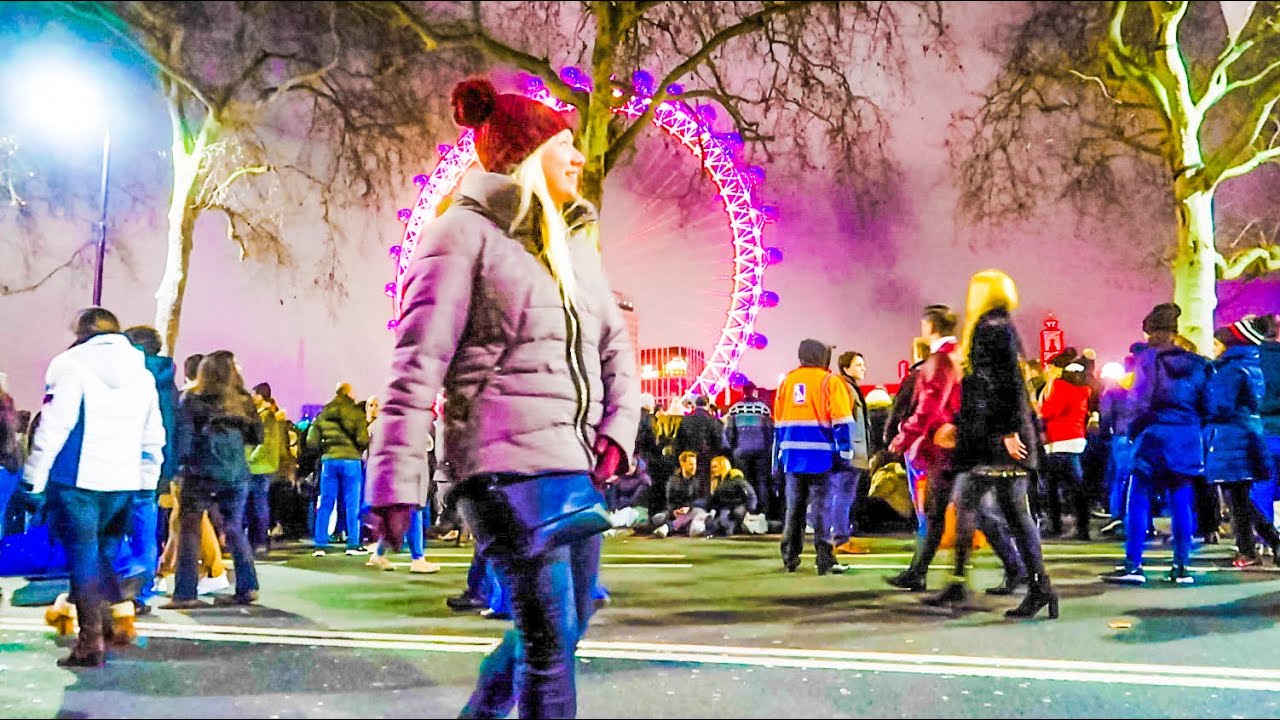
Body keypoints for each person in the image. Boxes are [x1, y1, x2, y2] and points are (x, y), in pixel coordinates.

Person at [365, 77, 639, 719]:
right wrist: (394, 481)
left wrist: (617, 431)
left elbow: (615, 349)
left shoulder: (576, 247)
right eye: (564, 145)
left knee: (566, 629)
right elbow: (415, 367)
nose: (579, 158)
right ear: (525, 155)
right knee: (550, 649)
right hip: (499, 469)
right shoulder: (459, 235)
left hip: (570, 466)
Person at [22, 308, 165, 666]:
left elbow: (54, 426)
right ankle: (109, 623)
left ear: (82, 332)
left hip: (77, 481)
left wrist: (33, 480)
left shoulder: (69, 365)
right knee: (104, 555)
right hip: (124, 481)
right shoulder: (142, 372)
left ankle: (90, 644)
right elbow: (153, 434)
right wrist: (148, 481)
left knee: (84, 560)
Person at [926, 271, 1057, 619]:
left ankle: (975, 581)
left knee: (978, 502)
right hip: (992, 435)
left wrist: (1009, 431)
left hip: (997, 439)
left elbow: (1008, 384)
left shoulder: (992, 328)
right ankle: (1032, 583)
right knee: (1003, 509)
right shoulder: (998, 326)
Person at [886, 304, 1025, 595]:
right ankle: (1011, 568)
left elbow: (930, 408)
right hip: (967, 442)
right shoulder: (962, 357)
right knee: (974, 510)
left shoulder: (940, 360)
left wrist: (902, 439)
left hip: (946, 446)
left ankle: (940, 576)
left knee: (945, 511)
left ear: (929, 326)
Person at [1102, 303, 1211, 586]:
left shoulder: (1148, 361)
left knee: (1138, 499)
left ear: (1153, 331)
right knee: (1181, 501)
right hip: (1186, 435)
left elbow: (1139, 401)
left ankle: (1134, 565)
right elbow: (1209, 405)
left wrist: (1133, 429)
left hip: (1154, 434)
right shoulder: (1199, 364)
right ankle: (1181, 566)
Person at [163, 351, 262, 609]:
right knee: (234, 528)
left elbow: (183, 439)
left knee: (190, 530)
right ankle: (248, 586)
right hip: (236, 473)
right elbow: (257, 437)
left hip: (200, 472)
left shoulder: (192, 398)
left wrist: (177, 468)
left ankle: (185, 593)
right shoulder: (243, 400)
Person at [775, 338, 856, 575]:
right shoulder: (829, 382)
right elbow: (842, 420)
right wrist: (845, 452)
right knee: (822, 509)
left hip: (792, 456)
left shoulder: (787, 382)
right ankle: (824, 559)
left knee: (794, 508)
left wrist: (781, 452)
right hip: (821, 457)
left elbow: (778, 422)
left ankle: (790, 557)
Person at [1206, 321, 1278, 567]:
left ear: (1231, 345)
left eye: (1217, 344)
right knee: (1240, 497)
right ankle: (1257, 545)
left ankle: (1254, 548)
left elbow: (1221, 406)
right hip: (1247, 433)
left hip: (1232, 436)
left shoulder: (1230, 369)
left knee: (1237, 498)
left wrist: (1203, 406)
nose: (1214, 349)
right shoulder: (1250, 364)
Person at [121, 326, 180, 615]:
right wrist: (166, 471)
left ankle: (117, 585)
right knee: (146, 529)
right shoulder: (168, 382)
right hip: (152, 467)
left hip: (117, 465)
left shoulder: (125, 376)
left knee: (111, 528)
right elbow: (170, 427)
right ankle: (140, 593)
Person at [308, 382, 370, 556]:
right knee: (352, 503)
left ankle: (320, 544)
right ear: (349, 394)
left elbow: (311, 442)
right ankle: (353, 544)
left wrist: (325, 449)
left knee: (326, 502)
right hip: (351, 461)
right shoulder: (356, 413)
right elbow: (363, 440)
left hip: (329, 460)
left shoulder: (323, 414)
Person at [1039, 352, 1093, 540]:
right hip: (1076, 442)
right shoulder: (1084, 391)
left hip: (1058, 443)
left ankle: (1055, 526)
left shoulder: (1061, 388)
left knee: (1052, 488)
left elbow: (1048, 411)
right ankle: (1083, 528)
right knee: (1078, 488)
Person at [831, 351, 872, 555]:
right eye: (858, 365)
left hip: (854, 451)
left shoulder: (851, 388)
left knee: (844, 495)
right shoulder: (846, 388)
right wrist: (846, 450)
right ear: (846, 368)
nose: (863, 368)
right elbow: (843, 421)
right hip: (850, 453)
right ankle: (840, 539)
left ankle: (841, 536)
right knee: (843, 496)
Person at [724, 384, 777, 520]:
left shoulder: (735, 409)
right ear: (754, 392)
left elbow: (729, 432)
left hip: (741, 450)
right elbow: (769, 431)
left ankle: (747, 512)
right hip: (760, 450)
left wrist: (732, 448)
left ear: (743, 392)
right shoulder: (763, 409)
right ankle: (764, 512)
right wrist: (768, 448)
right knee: (762, 481)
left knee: (744, 482)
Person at [246, 382, 285, 557]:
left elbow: (263, 442)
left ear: (261, 396)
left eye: (254, 394)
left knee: (258, 505)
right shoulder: (267, 415)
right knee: (257, 504)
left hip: (260, 467)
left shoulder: (266, 416)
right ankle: (257, 541)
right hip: (262, 466)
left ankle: (260, 541)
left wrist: (249, 459)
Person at [675, 394, 724, 496]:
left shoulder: (685, 420)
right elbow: (719, 441)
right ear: (707, 404)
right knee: (705, 484)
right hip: (707, 457)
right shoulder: (713, 421)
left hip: (689, 456)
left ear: (695, 404)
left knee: (689, 483)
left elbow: (679, 441)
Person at [652, 451, 709, 538]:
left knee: (698, 512)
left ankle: (668, 527)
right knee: (657, 518)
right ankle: (683, 526)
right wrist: (674, 511)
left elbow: (703, 500)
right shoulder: (673, 480)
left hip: (694, 510)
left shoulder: (700, 480)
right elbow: (669, 500)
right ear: (682, 464)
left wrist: (689, 507)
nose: (694, 467)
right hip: (677, 511)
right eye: (691, 464)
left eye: (695, 464)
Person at [704, 455, 758, 537]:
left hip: (736, 510)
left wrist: (748, 510)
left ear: (723, 466)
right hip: (725, 510)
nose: (712, 470)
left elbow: (751, 496)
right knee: (713, 525)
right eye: (712, 467)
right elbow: (714, 502)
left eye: (715, 467)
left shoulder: (737, 479)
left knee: (725, 525)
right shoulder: (717, 483)